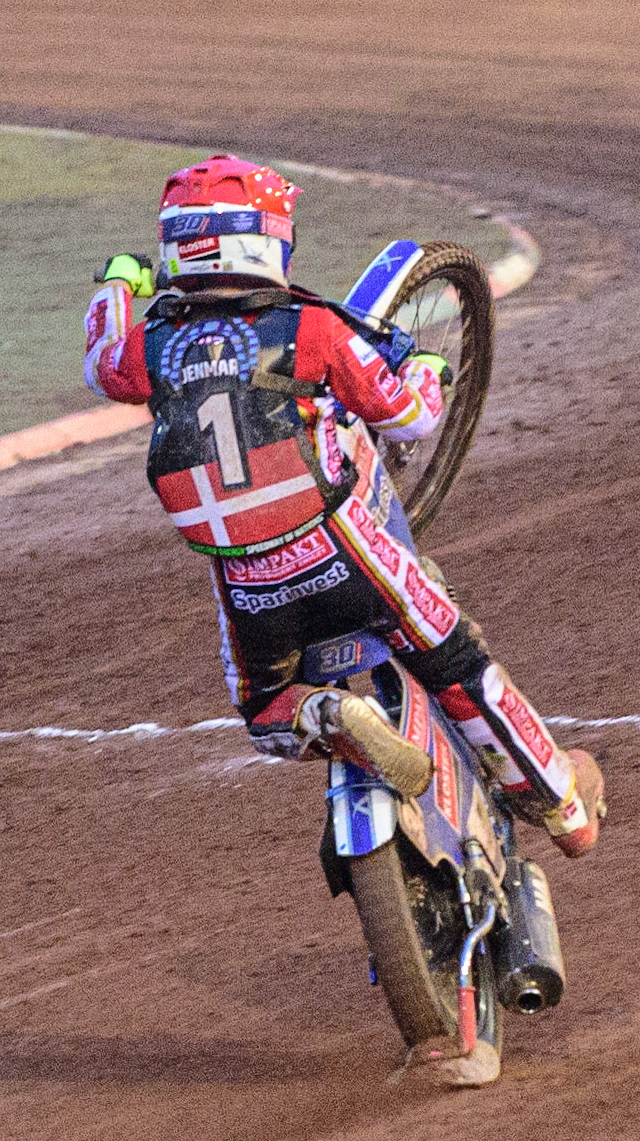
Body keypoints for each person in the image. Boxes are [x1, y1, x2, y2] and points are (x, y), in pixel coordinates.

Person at [83, 154, 605, 857]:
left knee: (263, 710)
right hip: (349, 555)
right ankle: (564, 807)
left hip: (247, 586)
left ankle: (326, 710)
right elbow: (412, 419)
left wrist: (120, 278)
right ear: (266, 240)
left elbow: (99, 357)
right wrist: (428, 367)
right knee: (454, 660)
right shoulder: (312, 331)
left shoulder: (148, 348)